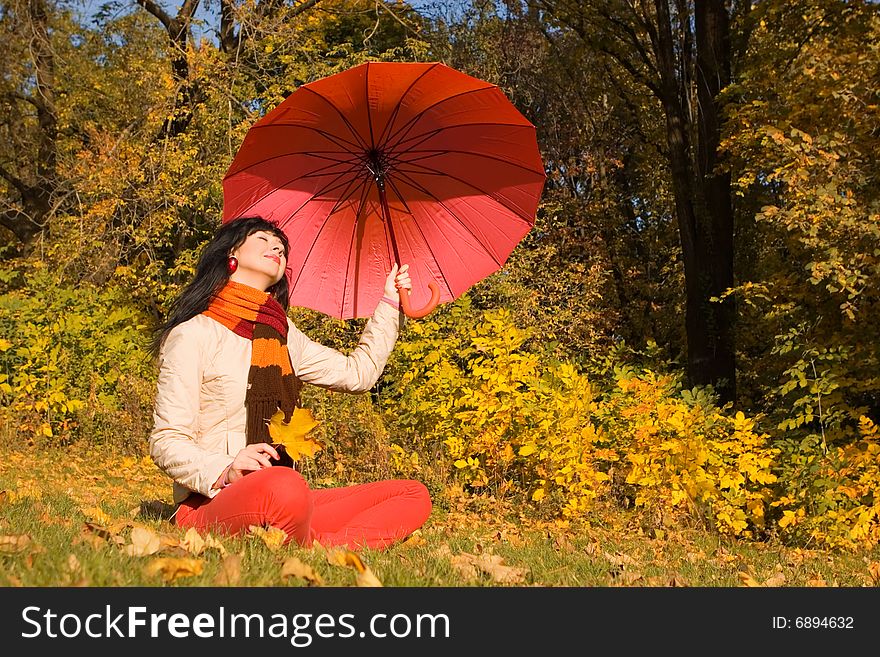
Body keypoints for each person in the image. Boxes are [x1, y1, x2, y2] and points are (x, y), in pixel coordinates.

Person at [147, 215, 431, 550]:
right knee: (284, 485)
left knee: (412, 494)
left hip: (280, 492)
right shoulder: (194, 334)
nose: (276, 248)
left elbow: (359, 374)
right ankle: (317, 538)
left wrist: (389, 302)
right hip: (212, 500)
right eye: (263, 240)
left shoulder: (284, 336)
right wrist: (227, 468)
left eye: (281, 246)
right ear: (231, 255)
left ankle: (324, 545)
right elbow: (166, 441)